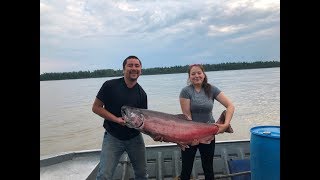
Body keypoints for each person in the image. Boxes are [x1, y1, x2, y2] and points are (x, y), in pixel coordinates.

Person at [92, 55, 148, 180]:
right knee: (104, 176)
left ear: (141, 70)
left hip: (135, 137)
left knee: (142, 175)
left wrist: (156, 134)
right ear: (123, 69)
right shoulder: (109, 86)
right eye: (130, 65)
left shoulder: (142, 94)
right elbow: (96, 107)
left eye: (137, 66)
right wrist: (116, 119)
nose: (134, 68)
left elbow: (144, 122)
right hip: (113, 137)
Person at [177, 64, 235, 180]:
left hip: (208, 134)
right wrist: (193, 136)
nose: (196, 76)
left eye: (199, 73)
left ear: (203, 74)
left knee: (208, 168)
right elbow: (187, 117)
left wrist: (225, 124)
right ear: (189, 77)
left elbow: (230, 106)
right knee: (186, 170)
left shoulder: (212, 89)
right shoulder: (186, 91)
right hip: (190, 135)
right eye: (193, 74)